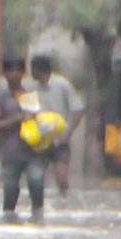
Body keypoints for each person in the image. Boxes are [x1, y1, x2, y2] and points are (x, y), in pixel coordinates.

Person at [0, 56, 45, 223]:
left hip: (32, 150)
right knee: (10, 189)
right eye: (10, 71)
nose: (14, 74)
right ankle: (9, 219)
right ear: (5, 74)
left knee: (36, 183)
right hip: (10, 151)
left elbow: (38, 120)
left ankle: (38, 218)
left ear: (23, 74)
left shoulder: (30, 96)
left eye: (18, 71)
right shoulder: (1, 98)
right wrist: (15, 120)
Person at [29, 54, 84, 197]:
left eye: (32, 68)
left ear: (39, 70)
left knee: (61, 178)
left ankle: (65, 203)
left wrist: (68, 132)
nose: (30, 72)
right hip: (40, 140)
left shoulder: (62, 85)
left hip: (60, 140)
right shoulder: (32, 89)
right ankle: (38, 207)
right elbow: (28, 115)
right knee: (35, 178)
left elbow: (78, 109)